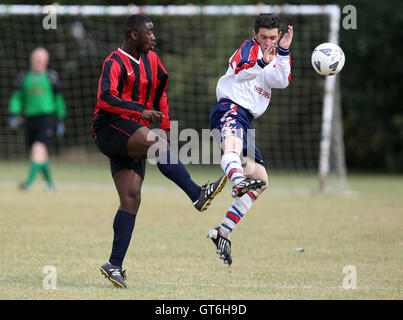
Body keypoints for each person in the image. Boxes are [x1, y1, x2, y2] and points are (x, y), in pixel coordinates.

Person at [93, 14, 227, 288]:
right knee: (155, 146)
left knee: (131, 199)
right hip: (109, 127)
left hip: (135, 130)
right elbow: (106, 99)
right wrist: (140, 112)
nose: (153, 37)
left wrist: (164, 127)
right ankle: (197, 194)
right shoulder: (114, 61)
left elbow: (161, 94)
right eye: (149, 32)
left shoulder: (153, 61)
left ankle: (114, 265)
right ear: (133, 35)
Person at [207, 13, 293, 265]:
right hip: (230, 108)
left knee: (262, 180)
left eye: (273, 38)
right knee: (231, 150)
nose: (268, 42)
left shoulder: (274, 54)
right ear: (255, 35)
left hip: (246, 119)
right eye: (264, 37)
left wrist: (284, 52)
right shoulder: (248, 49)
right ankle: (237, 181)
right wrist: (261, 62)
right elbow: (242, 71)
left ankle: (223, 231)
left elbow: (281, 81)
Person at [8, 47, 66, 192]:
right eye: (36, 59)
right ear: (31, 60)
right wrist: (14, 113)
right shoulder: (23, 77)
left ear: (46, 61)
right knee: (41, 154)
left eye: (42, 59)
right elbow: (16, 97)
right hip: (30, 118)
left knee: (37, 148)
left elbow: (58, 99)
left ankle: (27, 184)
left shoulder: (51, 76)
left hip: (47, 117)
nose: (39, 62)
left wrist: (60, 119)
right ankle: (51, 185)